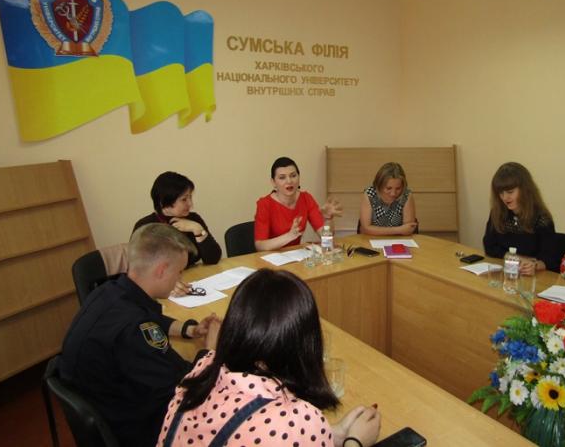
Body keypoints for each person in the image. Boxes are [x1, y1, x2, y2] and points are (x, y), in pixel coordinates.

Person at [157, 268, 381, 447]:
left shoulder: (203, 367)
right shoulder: (294, 420)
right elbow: (280, 431)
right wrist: (355, 442)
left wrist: (332, 433)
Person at [58, 224, 221, 447]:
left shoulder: (110, 291)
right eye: (179, 271)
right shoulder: (133, 330)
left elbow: (150, 318)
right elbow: (187, 387)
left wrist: (190, 329)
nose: (180, 278)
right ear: (161, 270)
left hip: (106, 397)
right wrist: (210, 350)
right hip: (136, 426)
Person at [133, 171, 221, 269]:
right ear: (163, 202)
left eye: (190, 197)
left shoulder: (194, 219)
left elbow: (213, 259)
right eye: (184, 199)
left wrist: (198, 230)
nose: (191, 204)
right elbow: (141, 269)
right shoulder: (145, 226)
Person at [482, 162, 558, 273]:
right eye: (501, 193)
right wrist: (515, 258)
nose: (505, 197)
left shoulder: (542, 219)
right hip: (506, 272)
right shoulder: (497, 212)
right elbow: (489, 246)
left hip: (532, 277)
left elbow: (550, 259)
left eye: (510, 192)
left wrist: (535, 265)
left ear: (525, 190)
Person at [254, 157, 342, 251]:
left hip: (296, 256)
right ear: (273, 182)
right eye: (282, 177)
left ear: (299, 177)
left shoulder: (306, 198)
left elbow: (326, 239)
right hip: (270, 256)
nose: (289, 181)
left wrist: (327, 219)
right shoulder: (264, 204)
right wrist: (289, 236)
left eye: (293, 175)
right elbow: (260, 246)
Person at [359, 162, 417, 236]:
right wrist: (399, 230)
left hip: (399, 240)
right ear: (379, 185)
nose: (393, 193)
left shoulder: (406, 195)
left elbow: (408, 229)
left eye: (398, 188)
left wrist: (376, 230)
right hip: (371, 239)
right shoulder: (370, 194)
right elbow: (366, 229)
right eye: (388, 188)